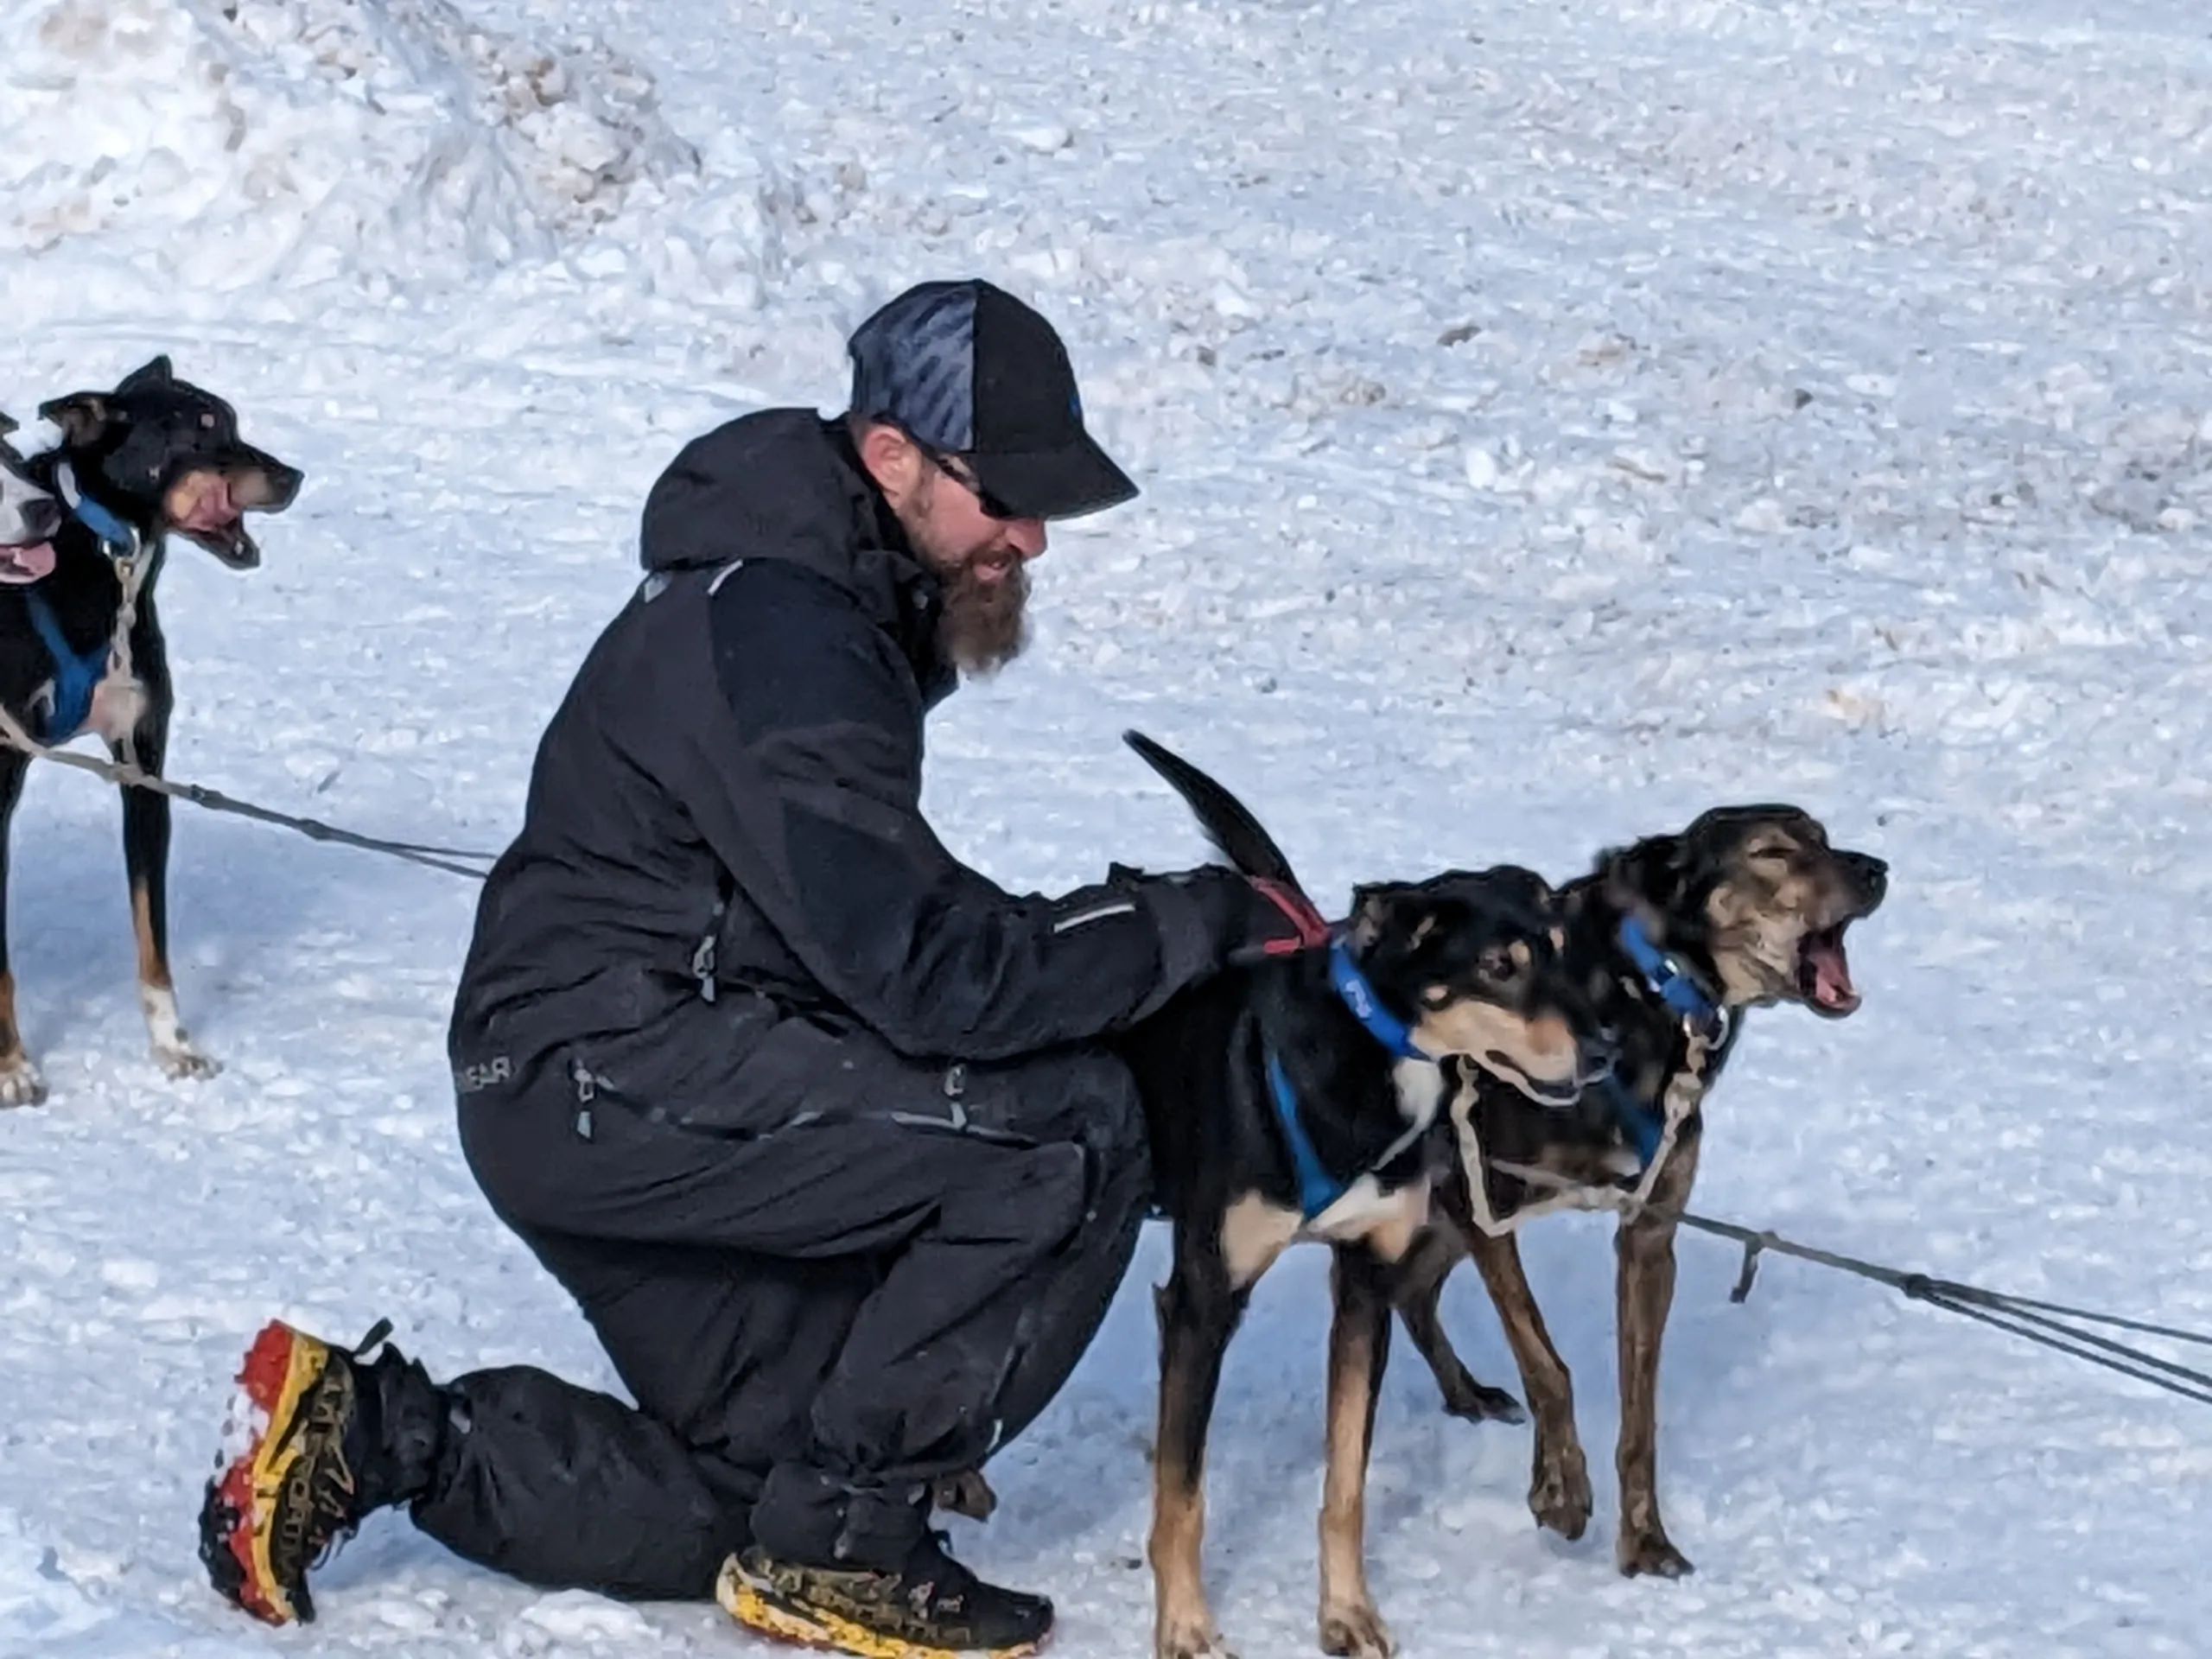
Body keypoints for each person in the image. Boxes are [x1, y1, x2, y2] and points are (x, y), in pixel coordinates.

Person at [197, 278, 1308, 1659]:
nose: (1027, 536)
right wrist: (1189, 925)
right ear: (892, 456)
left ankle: (370, 1434)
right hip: (618, 1065)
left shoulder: (801, 606)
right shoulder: (787, 638)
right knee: (1069, 1133)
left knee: (769, 1482)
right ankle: (853, 1548)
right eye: (1006, 497)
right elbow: (932, 974)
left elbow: (875, 922)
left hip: (585, 1079)